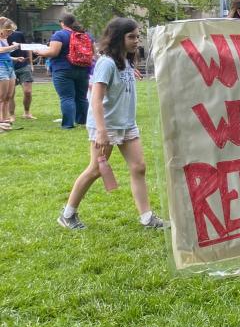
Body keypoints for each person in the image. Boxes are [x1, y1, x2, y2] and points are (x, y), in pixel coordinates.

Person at [57, 17, 165, 230]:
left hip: (126, 124)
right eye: (131, 36)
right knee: (96, 170)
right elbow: (95, 99)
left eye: (138, 36)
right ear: (118, 38)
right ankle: (67, 214)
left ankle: (147, 217)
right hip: (106, 126)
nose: (137, 40)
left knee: (139, 167)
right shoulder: (106, 63)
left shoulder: (124, 61)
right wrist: (101, 131)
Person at [33, 13, 94, 130]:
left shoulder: (59, 34)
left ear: (62, 23)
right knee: (81, 97)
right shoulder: (85, 35)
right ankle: (83, 121)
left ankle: (68, 125)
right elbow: (92, 53)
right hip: (82, 69)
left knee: (67, 98)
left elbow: (53, 52)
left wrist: (39, 52)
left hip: (63, 70)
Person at [9, 24, 35, 120]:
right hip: (9, 67)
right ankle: (12, 115)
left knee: (27, 91)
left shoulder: (19, 34)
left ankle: (27, 113)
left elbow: (28, 48)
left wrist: (31, 64)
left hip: (24, 65)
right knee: (11, 93)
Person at [0, 18, 20, 130]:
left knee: (8, 95)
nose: (10, 33)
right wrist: (13, 46)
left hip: (9, 67)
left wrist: (16, 58)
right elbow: (1, 50)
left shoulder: (5, 39)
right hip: (1, 67)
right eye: (8, 31)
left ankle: (6, 118)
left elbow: (5, 54)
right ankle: (1, 120)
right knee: (1, 96)